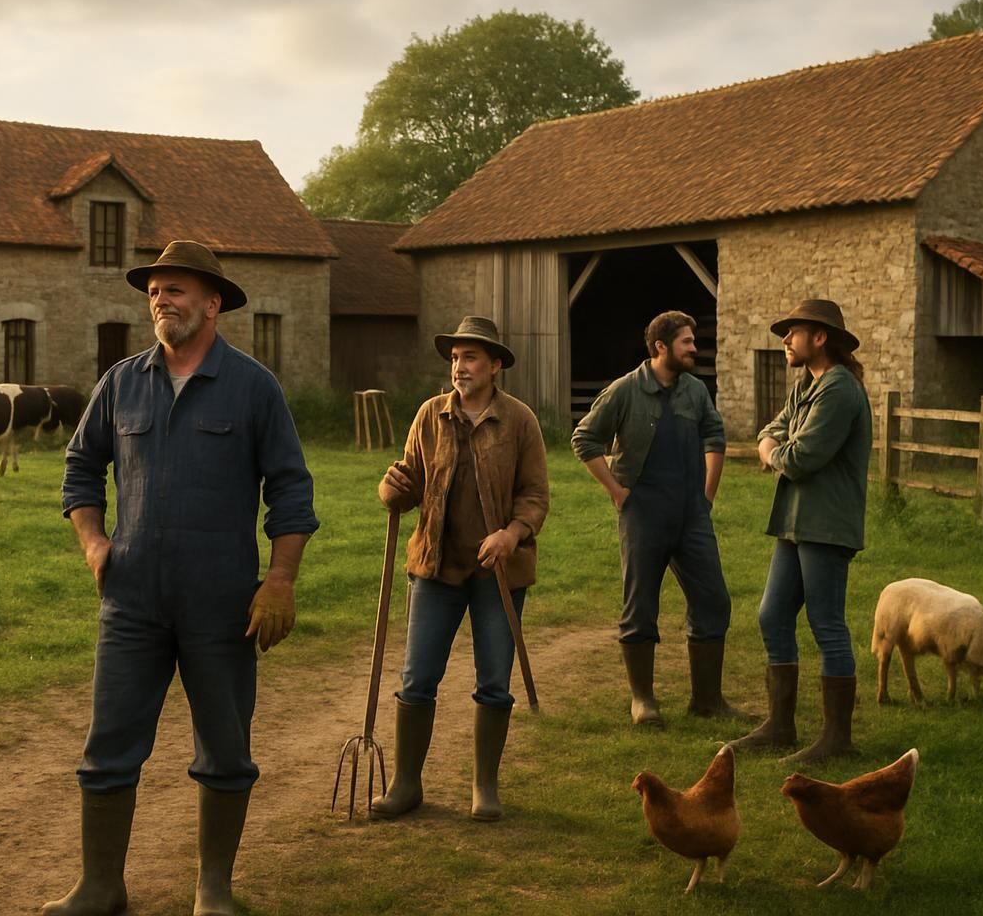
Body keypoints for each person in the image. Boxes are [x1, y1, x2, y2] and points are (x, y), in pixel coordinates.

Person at [50, 240, 318, 916]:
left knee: (225, 750)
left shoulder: (253, 387)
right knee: (108, 747)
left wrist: (280, 580)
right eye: (154, 292)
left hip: (221, 602)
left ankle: (213, 889)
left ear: (212, 302)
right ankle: (100, 886)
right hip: (132, 599)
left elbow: (291, 490)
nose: (160, 301)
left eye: (174, 289)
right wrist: (93, 542)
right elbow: (81, 467)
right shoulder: (121, 383)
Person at [371, 316, 549, 821]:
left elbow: (535, 495)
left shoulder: (519, 421)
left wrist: (511, 534)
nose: (459, 367)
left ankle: (484, 786)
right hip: (436, 567)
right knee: (417, 678)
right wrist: (391, 490)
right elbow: (407, 482)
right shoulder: (430, 416)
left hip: (498, 573)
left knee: (493, 680)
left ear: (494, 366)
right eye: (454, 358)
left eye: (470, 357)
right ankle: (406, 785)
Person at [570, 310, 741, 727]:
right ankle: (643, 700)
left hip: (692, 515)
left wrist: (707, 495)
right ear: (661, 347)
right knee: (641, 604)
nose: (694, 348)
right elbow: (584, 438)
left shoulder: (695, 391)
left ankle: (707, 700)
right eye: (687, 342)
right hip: (644, 514)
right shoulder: (626, 390)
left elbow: (714, 436)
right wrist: (616, 491)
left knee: (713, 600)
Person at [731, 299, 872, 763]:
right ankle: (780, 726)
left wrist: (772, 451)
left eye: (793, 332)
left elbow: (799, 458)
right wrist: (774, 444)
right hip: (795, 522)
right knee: (772, 615)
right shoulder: (806, 386)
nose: (786, 340)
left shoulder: (840, 389)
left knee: (826, 623)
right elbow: (771, 429)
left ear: (820, 337)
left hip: (826, 524)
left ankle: (837, 739)